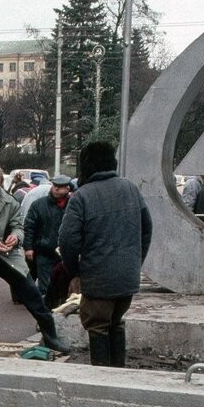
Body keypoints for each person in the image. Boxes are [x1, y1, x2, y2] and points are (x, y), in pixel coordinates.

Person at [0, 164, 69, 353]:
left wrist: (16, 236)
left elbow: (18, 225)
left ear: (1, 183)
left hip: (9, 256)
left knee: (34, 296)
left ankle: (51, 338)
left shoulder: (9, 200)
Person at [59, 143, 153, 367]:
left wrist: (74, 271)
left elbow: (67, 241)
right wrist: (136, 261)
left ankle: (101, 378)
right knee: (116, 322)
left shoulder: (82, 197)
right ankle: (118, 375)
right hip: (127, 277)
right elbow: (147, 228)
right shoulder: (130, 188)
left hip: (98, 278)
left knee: (98, 325)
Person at [24, 174, 73, 301]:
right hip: (44, 251)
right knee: (45, 287)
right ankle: (46, 309)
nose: (56, 189)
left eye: (60, 186)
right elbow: (29, 227)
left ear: (67, 189)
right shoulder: (39, 205)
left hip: (66, 253)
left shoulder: (73, 205)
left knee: (65, 287)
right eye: (54, 185)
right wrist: (28, 247)